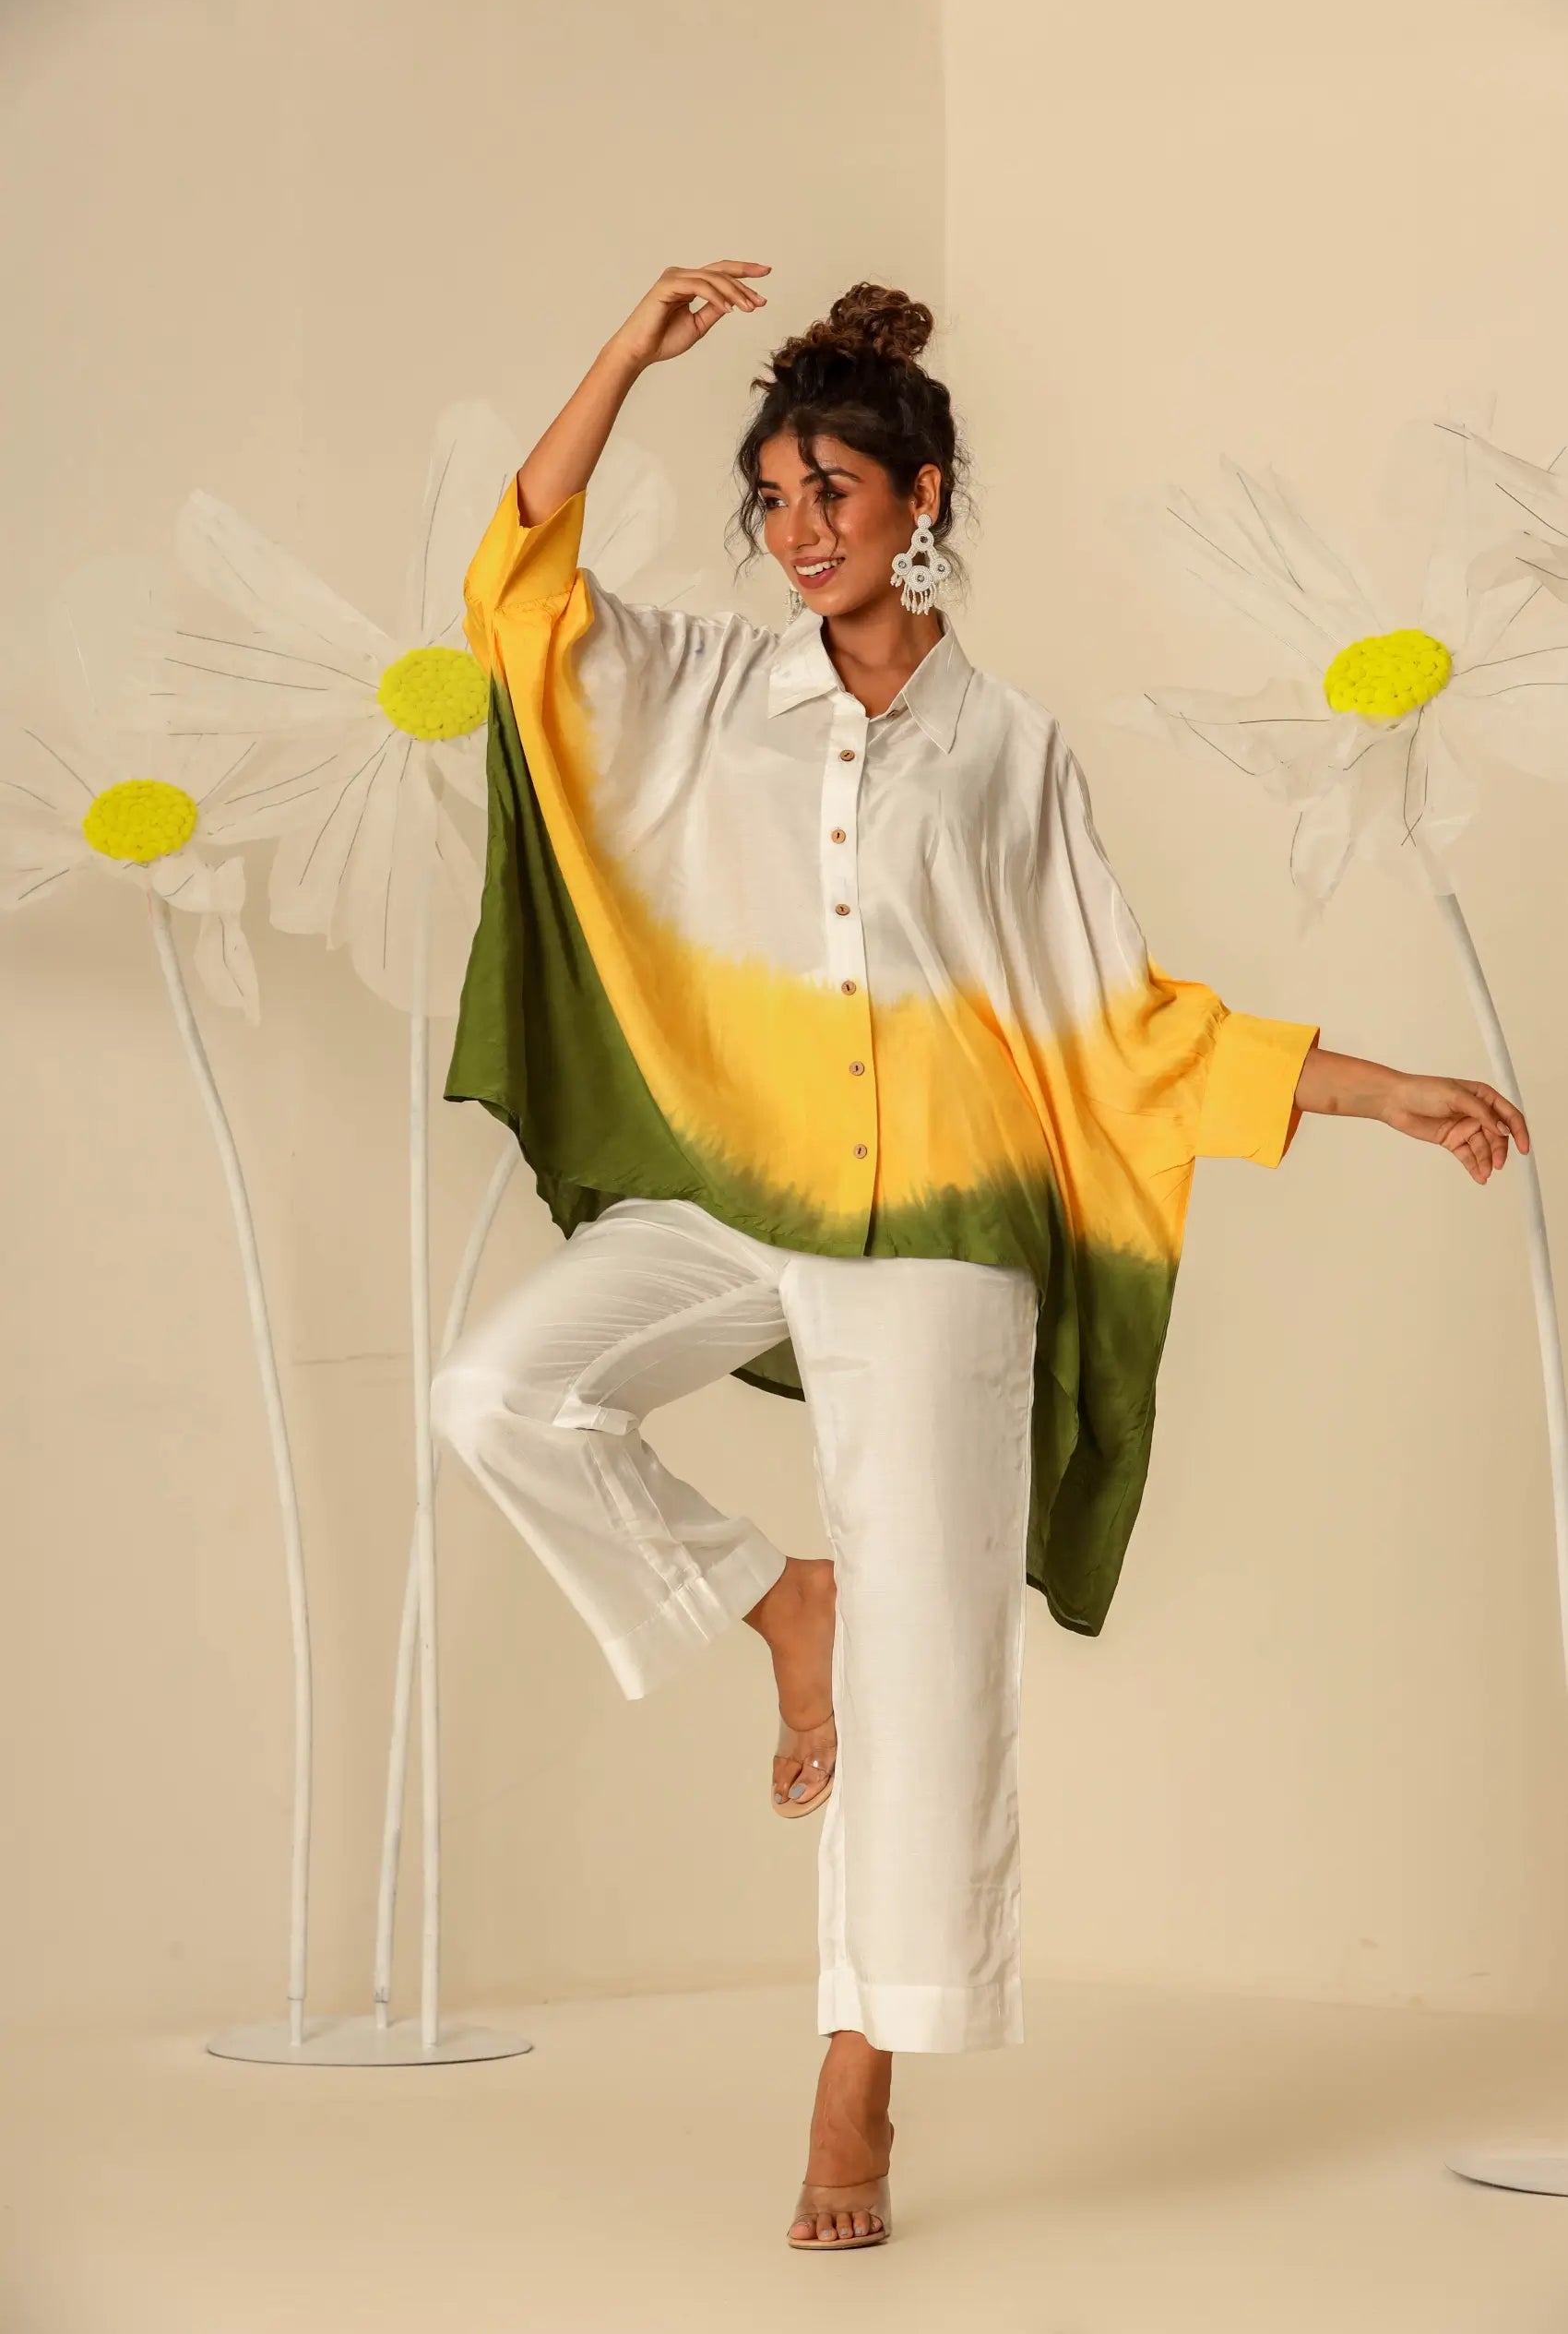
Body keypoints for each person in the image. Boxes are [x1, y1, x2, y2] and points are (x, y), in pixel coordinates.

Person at [430, 262, 1529, 2251]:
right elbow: (516, 597)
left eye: (833, 490)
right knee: (500, 1389)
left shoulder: (1012, 750)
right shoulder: (699, 688)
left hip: (940, 1235)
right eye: (774, 499)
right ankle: (780, 1602)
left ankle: (857, 2074)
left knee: (932, 1669)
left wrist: (1374, 1089)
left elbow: (1121, 1020)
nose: (799, 529)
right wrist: (621, 357)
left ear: (920, 495)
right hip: (733, 1189)